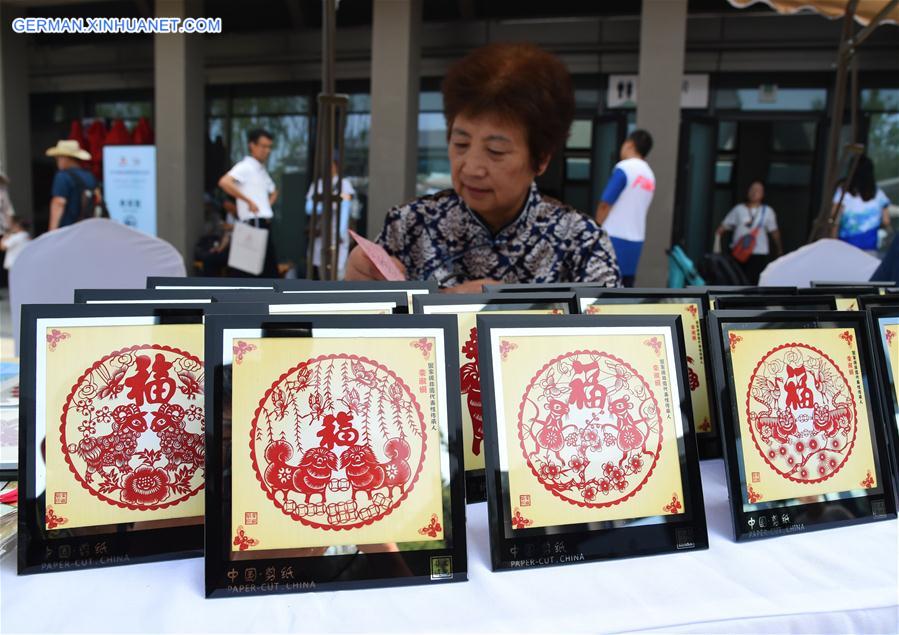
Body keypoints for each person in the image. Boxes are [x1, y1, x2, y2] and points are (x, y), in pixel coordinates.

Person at [345, 42, 620, 291]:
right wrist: (356, 291)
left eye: (495, 150)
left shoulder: (581, 242)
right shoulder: (409, 226)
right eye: (461, 143)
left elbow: (611, 340)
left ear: (541, 159)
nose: (472, 168)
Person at [595, 129, 655, 287]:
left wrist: (596, 230)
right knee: (626, 287)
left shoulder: (625, 168)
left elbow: (605, 203)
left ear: (629, 144)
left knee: (603, 285)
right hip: (636, 238)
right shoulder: (650, 175)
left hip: (613, 236)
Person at [217, 128, 278, 277]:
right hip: (251, 223)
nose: (267, 151)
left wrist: (266, 206)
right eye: (263, 146)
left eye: (269, 147)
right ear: (252, 145)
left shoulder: (261, 170)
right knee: (246, 272)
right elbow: (225, 182)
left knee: (267, 273)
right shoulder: (246, 166)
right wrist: (248, 201)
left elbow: (275, 191)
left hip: (263, 222)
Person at [715, 181, 783, 284]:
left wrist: (779, 250)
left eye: (758, 190)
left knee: (755, 282)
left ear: (763, 194)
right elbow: (723, 227)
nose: (754, 192)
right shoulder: (738, 209)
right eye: (752, 189)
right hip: (739, 253)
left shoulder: (768, 211)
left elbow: (774, 231)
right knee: (737, 281)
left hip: (759, 253)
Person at [306, 159, 356, 278]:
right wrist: (325, 205)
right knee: (322, 271)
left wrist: (341, 232)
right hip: (321, 234)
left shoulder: (344, 184)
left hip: (338, 236)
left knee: (338, 271)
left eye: (331, 165)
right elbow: (308, 208)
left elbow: (346, 206)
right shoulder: (317, 185)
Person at [831, 155, 892, 254]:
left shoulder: (843, 192)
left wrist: (832, 243)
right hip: (869, 248)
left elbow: (834, 220)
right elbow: (886, 221)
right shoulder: (878, 194)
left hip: (845, 246)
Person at [45, 139, 96, 231]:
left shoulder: (62, 176)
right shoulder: (89, 176)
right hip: (87, 229)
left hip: (68, 230)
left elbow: (59, 203)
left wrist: (52, 231)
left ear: (67, 158)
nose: (57, 161)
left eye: (59, 157)